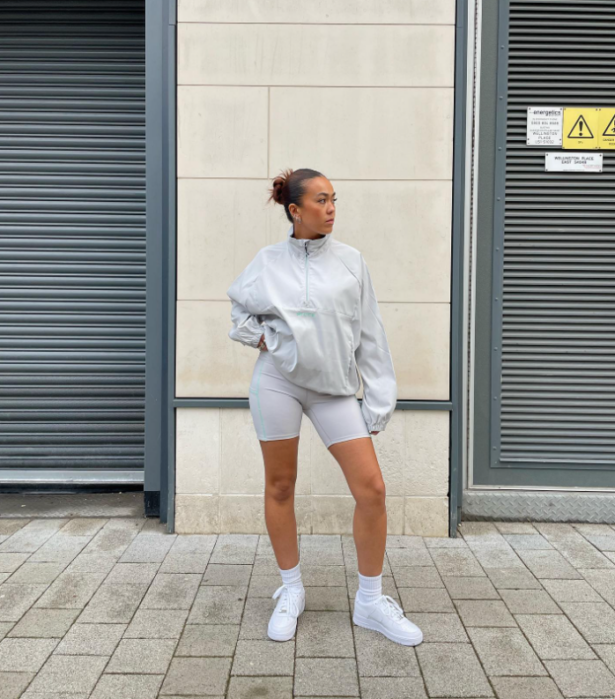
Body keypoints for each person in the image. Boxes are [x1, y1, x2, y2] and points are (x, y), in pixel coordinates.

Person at [226, 167, 423, 647]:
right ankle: (291, 590)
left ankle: (370, 602)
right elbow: (239, 312)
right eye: (320, 200)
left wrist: (378, 400)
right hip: (278, 384)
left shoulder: (352, 262)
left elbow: (370, 334)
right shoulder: (268, 262)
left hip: (335, 390)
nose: (331, 208)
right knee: (280, 486)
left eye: (334, 199)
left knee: (372, 489)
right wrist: (265, 338)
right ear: (295, 210)